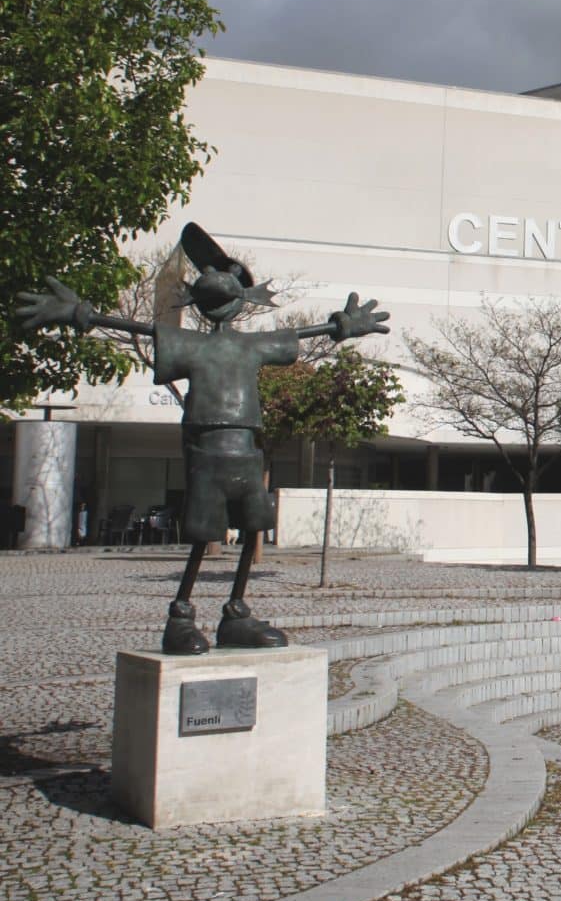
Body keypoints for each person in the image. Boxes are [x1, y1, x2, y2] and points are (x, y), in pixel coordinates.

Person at [16, 223, 389, 654]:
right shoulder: (189, 344)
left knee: (253, 530)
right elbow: (140, 330)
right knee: (200, 536)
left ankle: (236, 612)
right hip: (207, 451)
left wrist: (342, 326)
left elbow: (307, 335)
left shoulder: (253, 346)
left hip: (246, 451)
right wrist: (83, 315)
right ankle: (181, 615)